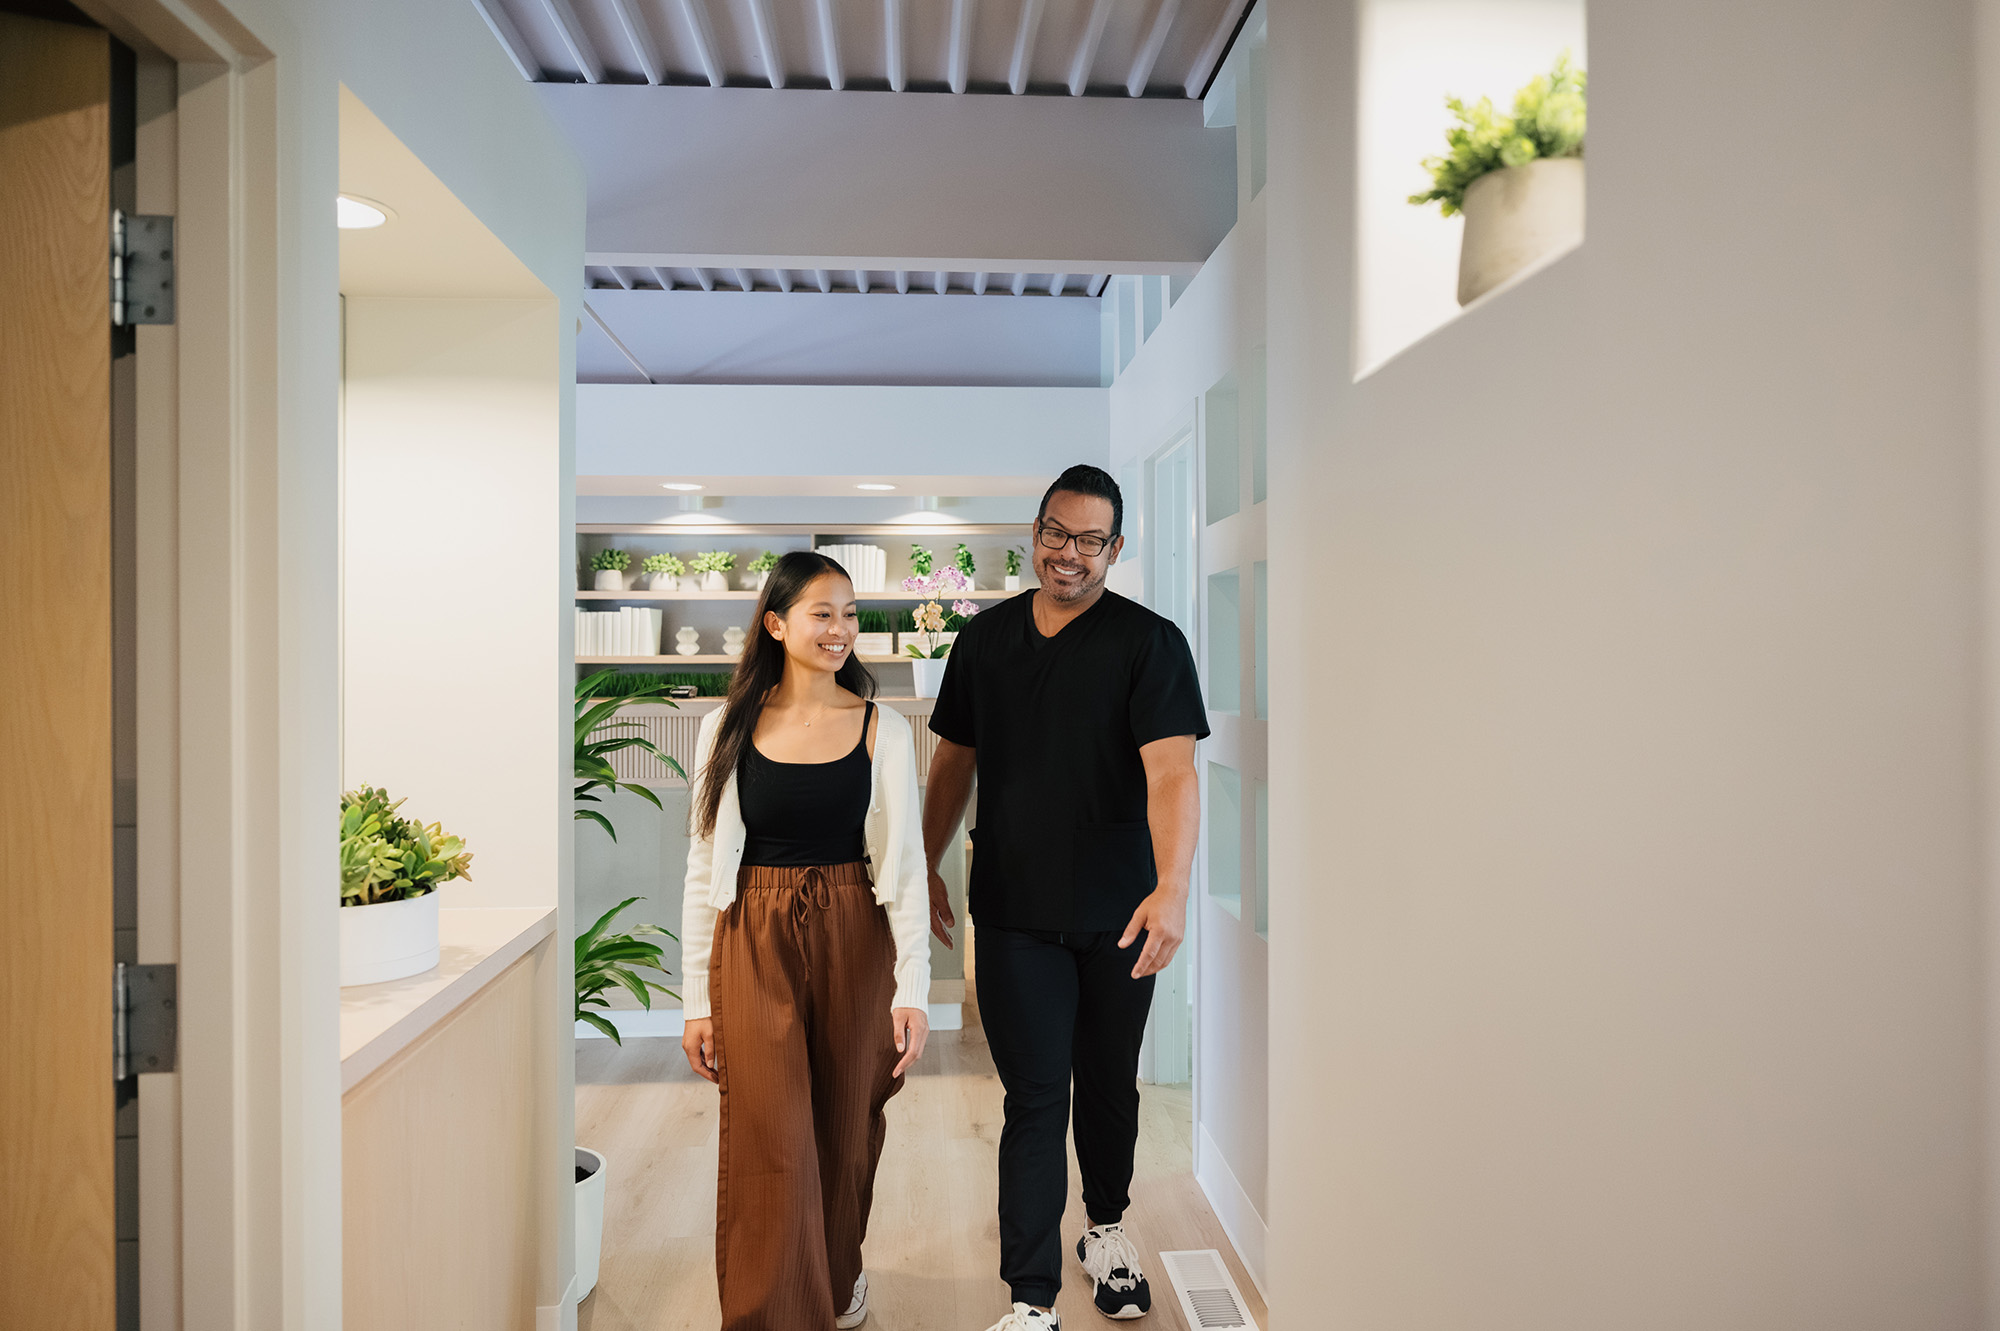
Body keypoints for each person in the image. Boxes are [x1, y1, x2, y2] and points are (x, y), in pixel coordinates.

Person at [923, 465, 1208, 1330]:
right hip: (1015, 911)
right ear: (1034, 531)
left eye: (1090, 540)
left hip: (1123, 914)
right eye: (1056, 533)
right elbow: (953, 761)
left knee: (1109, 1083)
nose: (1069, 554)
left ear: (1114, 548)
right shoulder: (984, 641)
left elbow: (1173, 774)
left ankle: (1107, 1231)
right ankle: (1032, 1297)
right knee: (1036, 1097)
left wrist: (1172, 889)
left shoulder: (1150, 644)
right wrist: (925, 861)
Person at [680, 550, 933, 1331]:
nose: (840, 629)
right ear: (776, 623)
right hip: (752, 937)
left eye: (850, 614)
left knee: (848, 1125)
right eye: (822, 612)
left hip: (855, 933)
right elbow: (702, 866)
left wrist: (913, 988)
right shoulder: (724, 728)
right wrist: (695, 1000)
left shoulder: (883, 729)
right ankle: (771, 1312)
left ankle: (837, 1272)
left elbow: (906, 867)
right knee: (771, 1131)